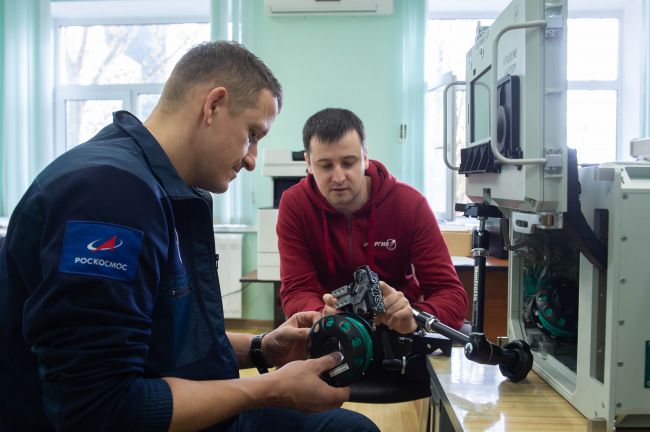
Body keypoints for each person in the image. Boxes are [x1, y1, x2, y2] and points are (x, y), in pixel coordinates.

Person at [0, 42, 379, 432]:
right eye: (252, 134)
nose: (252, 159)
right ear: (213, 106)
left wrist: (263, 347)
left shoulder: (158, 188)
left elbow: (168, 341)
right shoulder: (107, 196)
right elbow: (100, 409)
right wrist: (271, 389)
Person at [278, 108, 467, 334]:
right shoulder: (295, 204)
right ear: (308, 163)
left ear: (365, 157)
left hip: (397, 334)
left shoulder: (410, 204)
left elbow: (451, 295)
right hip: (330, 332)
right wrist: (322, 316)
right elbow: (296, 291)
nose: (339, 177)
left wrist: (413, 319)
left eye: (348, 163)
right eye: (325, 166)